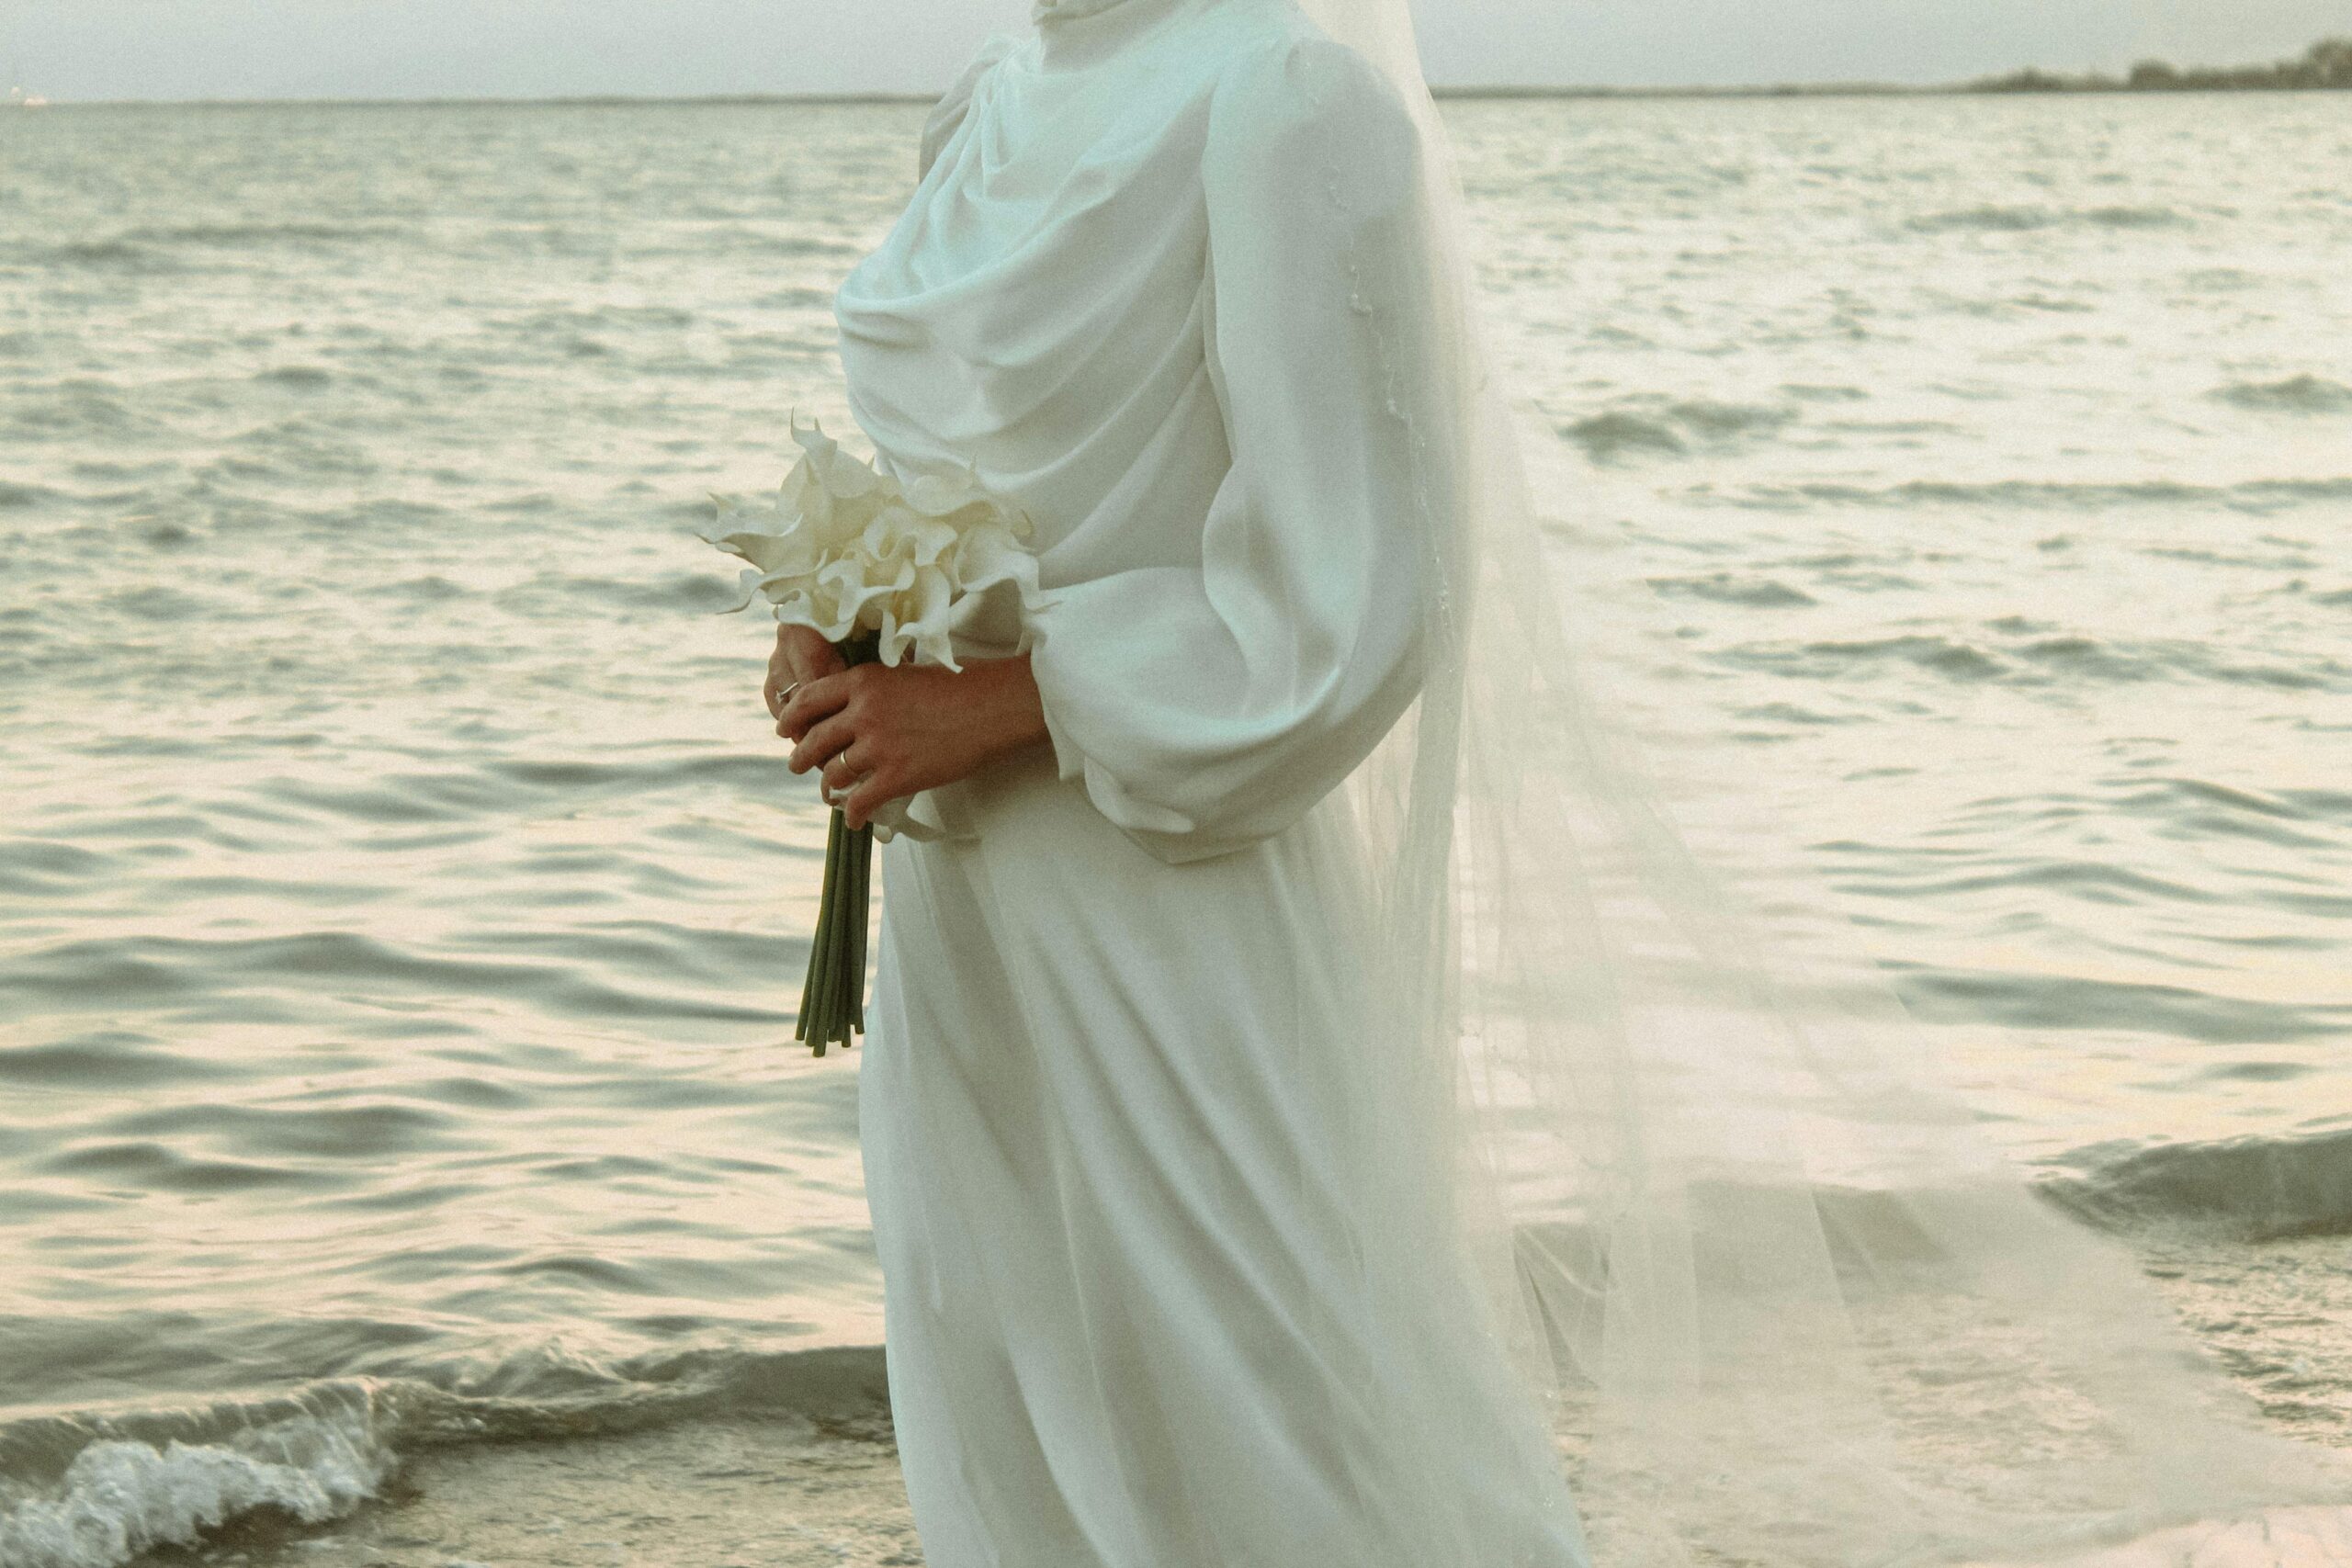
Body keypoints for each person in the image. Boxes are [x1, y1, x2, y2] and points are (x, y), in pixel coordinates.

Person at [763, 0, 2352, 1562]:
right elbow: (952, 493)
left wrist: (1019, 695)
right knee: (1013, 1396)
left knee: (1270, 1429)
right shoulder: (987, 100)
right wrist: (834, 631)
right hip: (962, 911)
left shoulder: (1287, 101)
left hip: (1171, 920)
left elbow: (1356, 595)